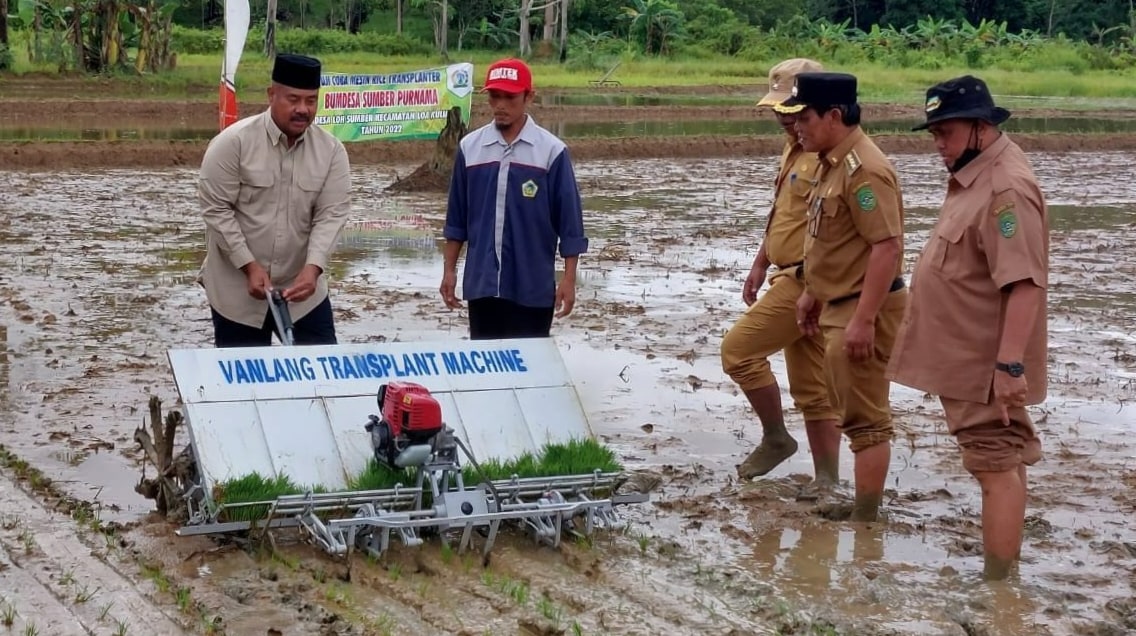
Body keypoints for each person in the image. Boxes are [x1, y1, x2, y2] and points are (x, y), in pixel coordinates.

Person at [887, 76, 1049, 580]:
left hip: (982, 361)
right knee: (1002, 462)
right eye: (933, 132)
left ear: (980, 128)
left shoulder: (1005, 190)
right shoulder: (974, 171)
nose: (938, 144)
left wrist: (1009, 366)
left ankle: (1000, 588)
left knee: (994, 465)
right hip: (967, 355)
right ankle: (1004, 573)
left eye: (947, 132)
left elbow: (1024, 284)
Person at [776, 72, 909, 522]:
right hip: (836, 304)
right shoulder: (832, 162)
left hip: (861, 305)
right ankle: (863, 507)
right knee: (849, 411)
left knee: (867, 422)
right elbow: (831, 241)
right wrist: (812, 292)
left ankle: (867, 520)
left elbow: (886, 247)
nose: (797, 127)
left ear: (834, 115)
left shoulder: (865, 171)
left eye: (805, 118)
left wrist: (865, 319)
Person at [720, 58, 842, 488]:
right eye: (778, 110)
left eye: (790, 111)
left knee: (738, 351)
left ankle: (775, 437)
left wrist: (820, 282)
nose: (781, 118)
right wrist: (760, 261)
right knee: (813, 389)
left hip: (809, 281)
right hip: (786, 273)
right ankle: (827, 481)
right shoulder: (795, 145)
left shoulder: (830, 154)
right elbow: (784, 214)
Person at [198, 53, 352, 348]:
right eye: (292, 99)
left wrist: (314, 267)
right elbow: (216, 211)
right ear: (271, 95)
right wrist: (248, 266)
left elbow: (331, 215)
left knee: (322, 378)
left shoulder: (332, 152)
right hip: (237, 293)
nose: (302, 110)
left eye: (310, 101)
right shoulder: (233, 144)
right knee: (245, 387)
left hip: (302, 292)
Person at [440, 58, 588, 340]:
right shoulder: (470, 149)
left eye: (510, 97)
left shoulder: (551, 152)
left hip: (532, 288)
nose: (501, 105)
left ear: (528, 97)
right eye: (495, 97)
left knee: (530, 374)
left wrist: (568, 280)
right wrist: (449, 271)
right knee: (488, 374)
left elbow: (570, 224)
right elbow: (456, 220)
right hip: (483, 286)